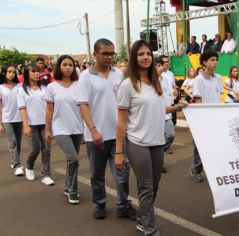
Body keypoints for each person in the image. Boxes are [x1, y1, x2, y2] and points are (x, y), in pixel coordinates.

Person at [115, 39, 187, 235]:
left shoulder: (156, 84)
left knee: (154, 186)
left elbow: (156, 108)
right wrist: (119, 151)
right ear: (133, 58)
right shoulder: (127, 85)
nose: (145, 57)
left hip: (157, 141)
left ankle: (141, 219)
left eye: (148, 53)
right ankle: (150, 229)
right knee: (145, 187)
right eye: (140, 54)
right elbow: (121, 121)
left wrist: (176, 107)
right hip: (137, 142)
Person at [76, 38, 136, 220]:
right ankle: (100, 203)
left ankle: (123, 205)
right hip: (96, 135)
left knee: (122, 172)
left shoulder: (119, 74)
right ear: (95, 55)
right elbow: (83, 104)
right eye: (106, 53)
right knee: (97, 173)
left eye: (112, 53)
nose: (110, 57)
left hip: (118, 134)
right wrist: (93, 130)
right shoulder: (86, 76)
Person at [44, 55, 83, 204]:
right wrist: (48, 129)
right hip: (60, 128)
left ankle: (67, 185)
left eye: (71, 65)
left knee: (71, 160)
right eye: (65, 64)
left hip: (77, 128)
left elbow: (85, 107)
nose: (68, 67)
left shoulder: (79, 86)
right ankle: (73, 190)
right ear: (59, 66)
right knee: (74, 159)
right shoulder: (51, 87)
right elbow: (49, 110)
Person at [17, 64, 55, 186]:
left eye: (38, 71)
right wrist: (25, 125)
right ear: (27, 74)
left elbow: (50, 107)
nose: (37, 73)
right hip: (31, 125)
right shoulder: (22, 90)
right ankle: (29, 166)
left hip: (45, 124)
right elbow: (22, 109)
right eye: (33, 71)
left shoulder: (45, 88)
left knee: (46, 150)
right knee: (34, 149)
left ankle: (46, 175)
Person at [190, 50, 223, 182]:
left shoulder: (218, 78)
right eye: (212, 60)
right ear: (204, 62)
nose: (215, 62)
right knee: (200, 147)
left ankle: (212, 171)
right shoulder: (198, 80)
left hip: (216, 118)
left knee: (214, 146)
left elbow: (218, 97)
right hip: (203, 119)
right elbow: (198, 101)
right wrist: (202, 120)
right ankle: (196, 170)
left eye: (216, 60)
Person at [0, 63, 24, 176]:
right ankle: (18, 165)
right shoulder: (0, 88)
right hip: (7, 119)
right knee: (13, 142)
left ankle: (14, 161)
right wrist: (0, 123)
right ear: (4, 73)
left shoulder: (19, 87)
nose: (11, 74)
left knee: (18, 143)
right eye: (9, 71)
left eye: (13, 72)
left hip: (19, 118)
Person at [155, 57, 175, 173]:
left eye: (160, 65)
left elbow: (169, 93)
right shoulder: (149, 80)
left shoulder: (167, 79)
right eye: (156, 65)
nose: (158, 68)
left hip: (167, 113)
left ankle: (158, 153)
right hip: (154, 115)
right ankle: (158, 163)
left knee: (170, 135)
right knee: (157, 139)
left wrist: (174, 93)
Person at [161, 55, 178, 127]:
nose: (166, 63)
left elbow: (174, 86)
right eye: (164, 62)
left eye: (167, 61)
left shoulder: (171, 73)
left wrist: (175, 90)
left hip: (171, 102)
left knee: (173, 122)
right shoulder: (158, 74)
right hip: (163, 103)